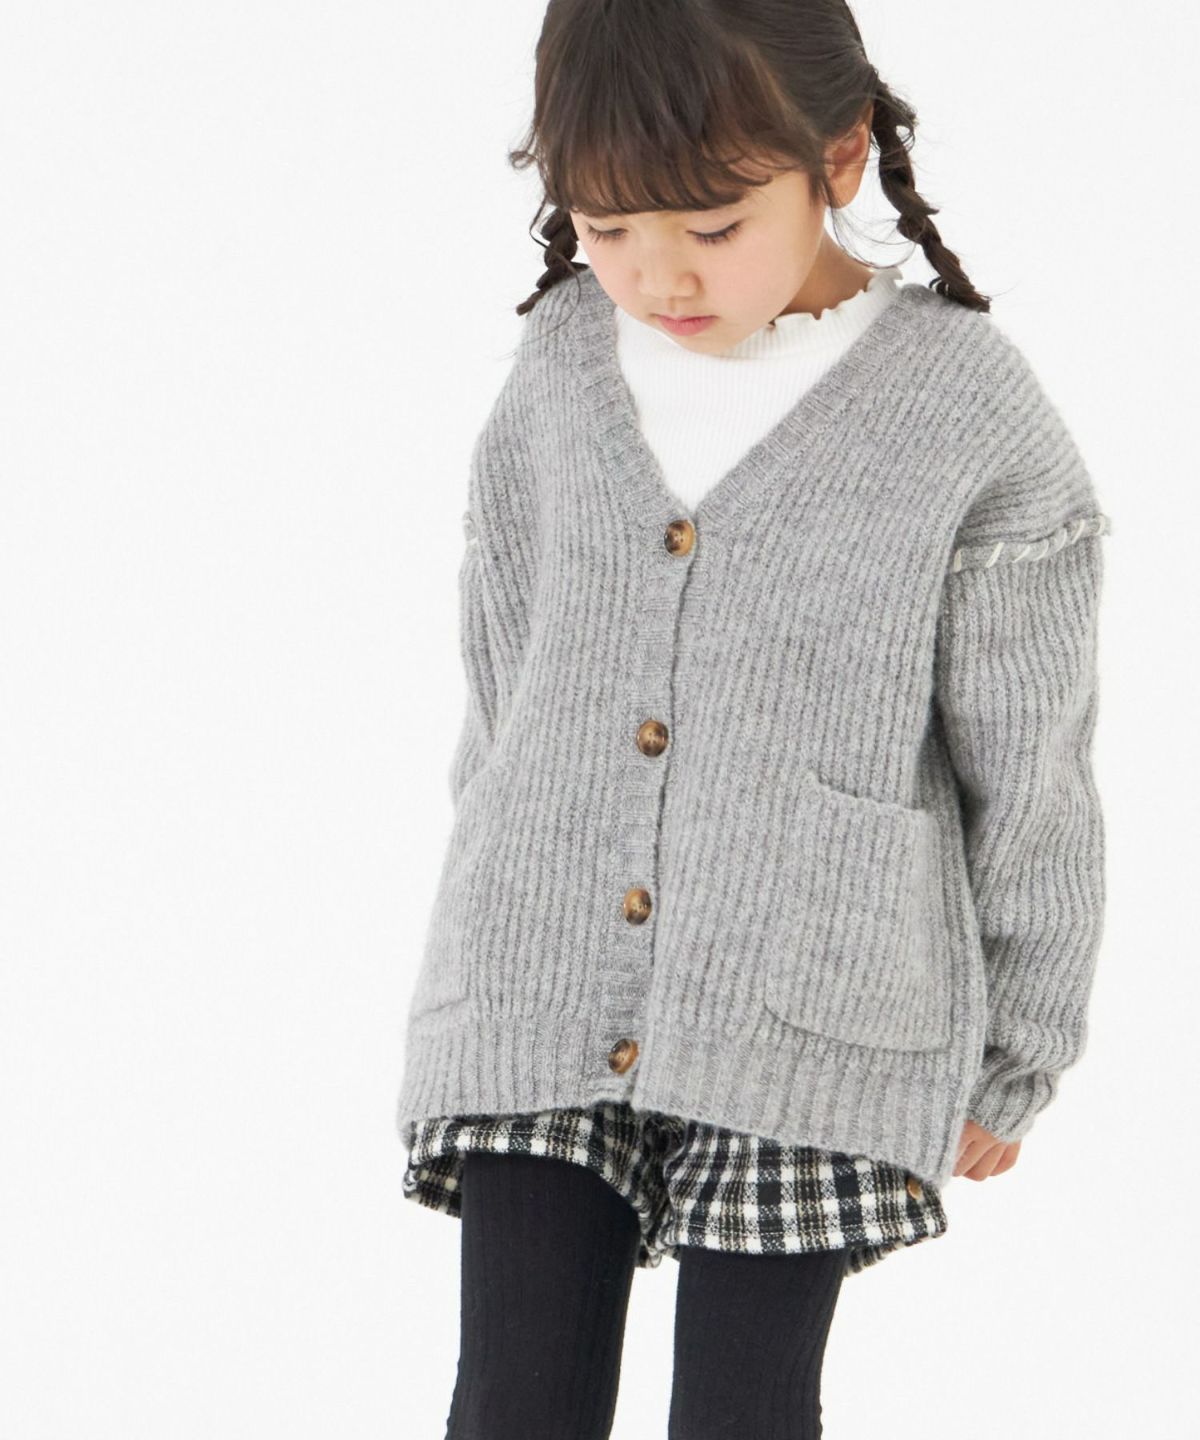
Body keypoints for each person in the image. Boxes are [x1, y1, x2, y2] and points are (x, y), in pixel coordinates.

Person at [395, 2, 1112, 1435]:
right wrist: (478, 947)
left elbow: (1031, 764)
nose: (656, 275)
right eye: (606, 226)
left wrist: (1021, 1041)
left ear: (838, 157)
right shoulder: (561, 366)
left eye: (713, 226)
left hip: (818, 997)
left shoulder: (967, 409)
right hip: (538, 977)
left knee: (743, 1408)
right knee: (513, 1398)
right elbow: (505, 687)